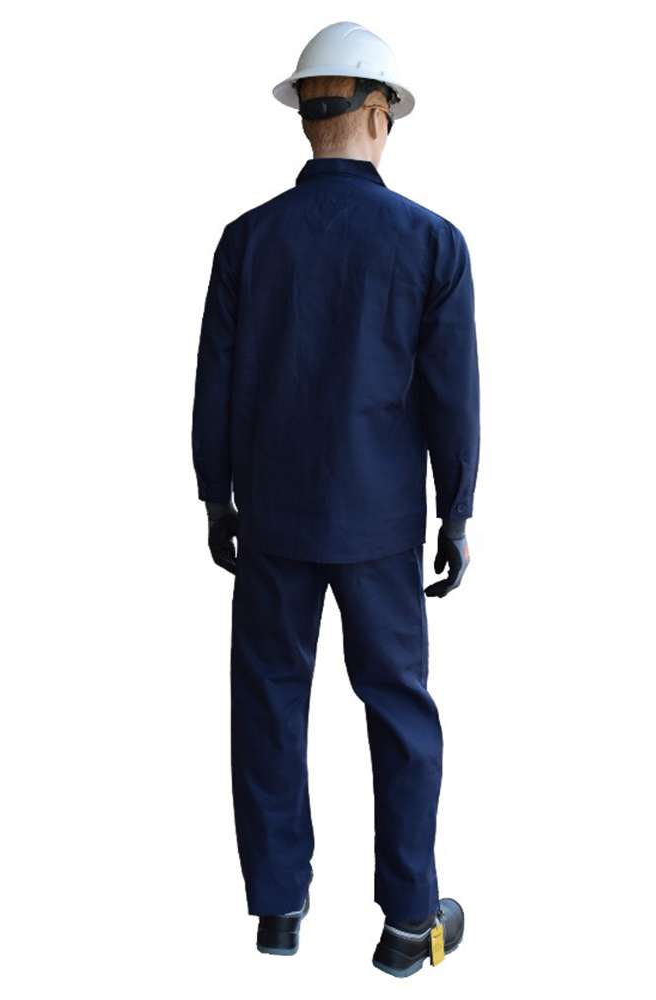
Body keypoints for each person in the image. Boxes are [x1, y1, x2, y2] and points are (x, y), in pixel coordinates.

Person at [191, 21, 479, 977]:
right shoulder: (432, 243)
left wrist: (215, 498)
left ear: (306, 114)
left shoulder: (247, 240)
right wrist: (456, 513)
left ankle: (278, 907)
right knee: (398, 712)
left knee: (268, 704)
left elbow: (216, 383)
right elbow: (452, 396)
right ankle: (408, 924)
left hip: (273, 518)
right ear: (380, 112)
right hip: (380, 525)